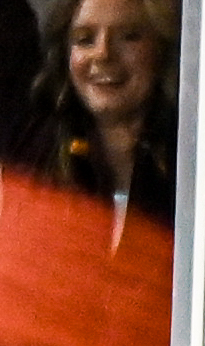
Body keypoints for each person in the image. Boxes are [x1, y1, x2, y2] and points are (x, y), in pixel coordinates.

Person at [9, 0, 179, 244]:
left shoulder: (197, 160)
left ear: (161, 50)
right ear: (64, 55)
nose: (103, 53)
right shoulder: (33, 147)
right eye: (84, 39)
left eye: (129, 37)